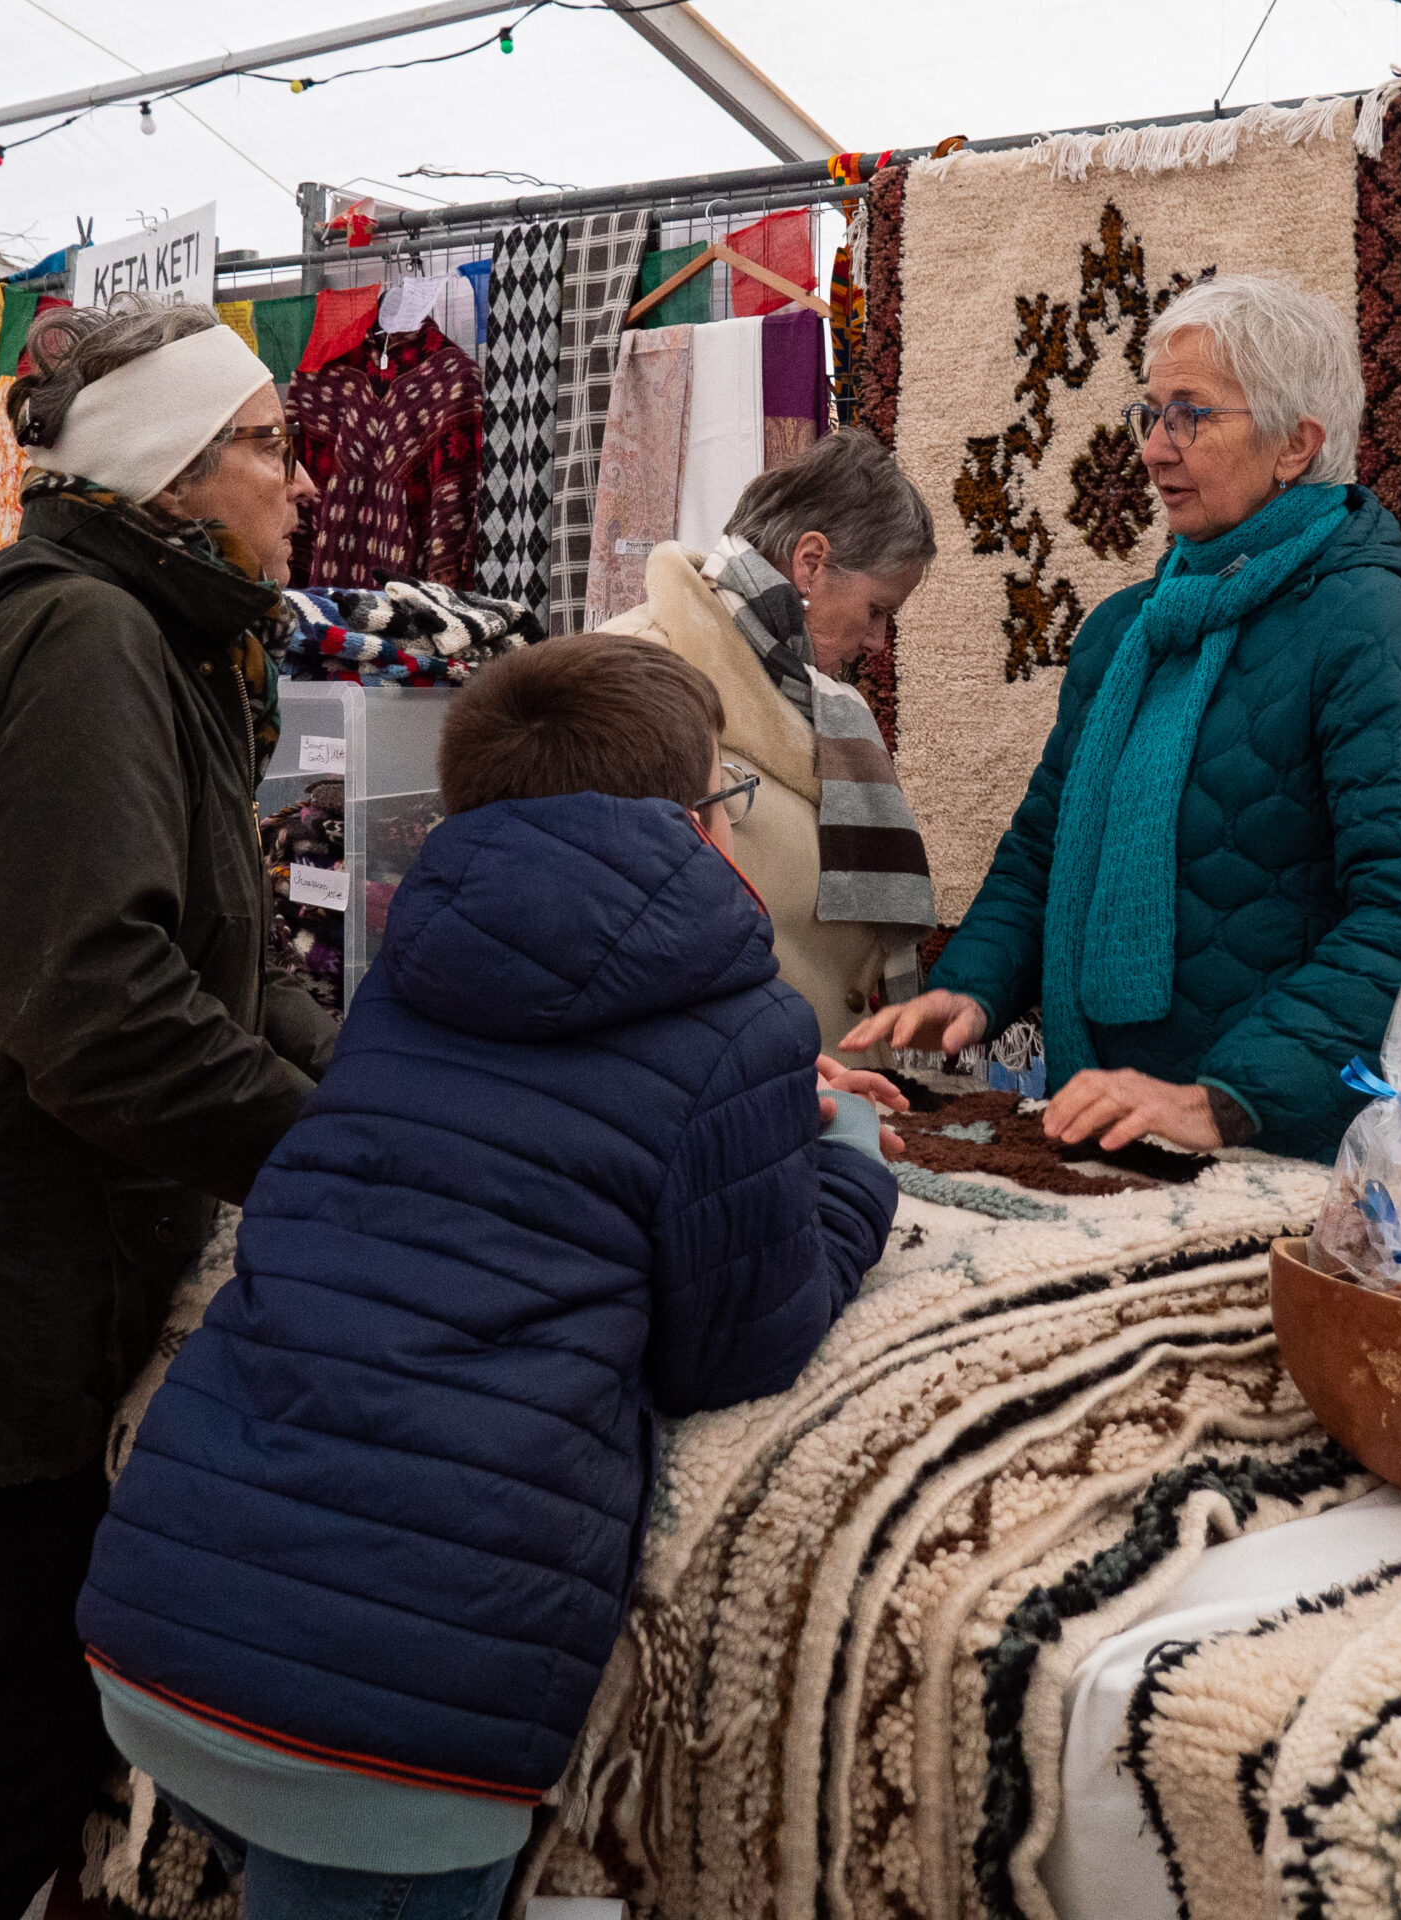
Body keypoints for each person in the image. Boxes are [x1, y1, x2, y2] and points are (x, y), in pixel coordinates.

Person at [74, 634, 901, 1919]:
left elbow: (520, 1146)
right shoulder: (744, 1024)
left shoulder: (415, 968)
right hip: (387, 1709)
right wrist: (843, 1159)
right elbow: (737, 1344)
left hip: (168, 1615)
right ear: (688, 823)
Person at [0, 296, 335, 1920]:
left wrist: (385, 1073)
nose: (295, 483)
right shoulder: (92, 642)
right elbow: (95, 1011)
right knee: (16, 1736)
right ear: (170, 466)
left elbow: (195, 963)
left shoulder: (104, 628)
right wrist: (338, 1152)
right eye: (263, 444)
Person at [846, 274, 1401, 1162]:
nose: (1151, 448)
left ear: (1295, 446)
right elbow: (1045, 848)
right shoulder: (1124, 632)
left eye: (1190, 415)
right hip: (1108, 1121)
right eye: (1149, 413)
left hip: (1282, 1149)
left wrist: (1220, 1100)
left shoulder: (1367, 622)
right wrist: (975, 989)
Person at [605, 428, 939, 1058]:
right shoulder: (637, 673)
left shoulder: (822, 700)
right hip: (724, 1097)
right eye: (876, 610)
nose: (879, 642)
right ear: (811, 562)